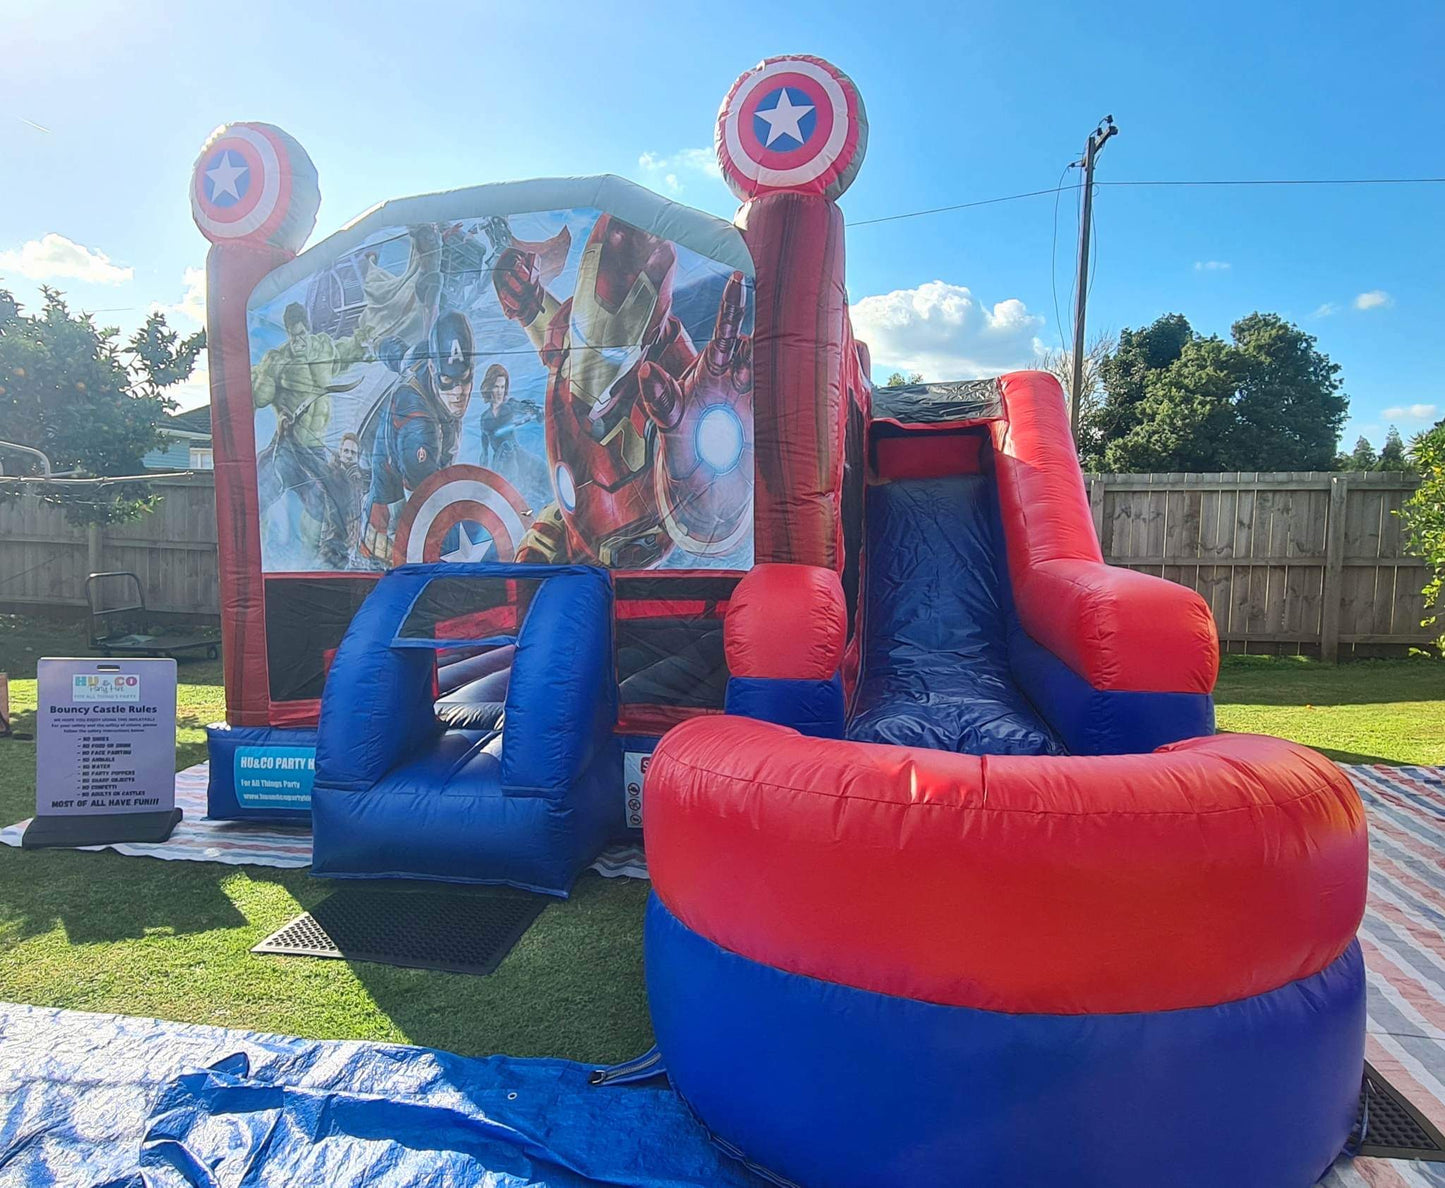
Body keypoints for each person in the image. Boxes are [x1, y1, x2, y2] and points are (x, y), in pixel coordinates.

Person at [251, 302, 370, 560]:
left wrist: (360, 341)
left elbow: (343, 355)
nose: (298, 341)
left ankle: (314, 559)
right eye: (293, 335)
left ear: (308, 329)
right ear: (287, 332)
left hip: (314, 449)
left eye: (301, 334)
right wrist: (264, 378)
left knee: (323, 502)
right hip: (288, 445)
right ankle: (261, 553)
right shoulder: (278, 360)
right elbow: (259, 397)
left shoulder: (322, 348)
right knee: (259, 497)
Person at [360, 311, 476, 564]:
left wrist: (376, 342)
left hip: (420, 461)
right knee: (389, 556)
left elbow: (398, 353)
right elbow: (427, 497)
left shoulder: (421, 355)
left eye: (465, 379)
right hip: (393, 494)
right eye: (448, 381)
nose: (458, 392)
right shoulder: (417, 421)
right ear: (434, 369)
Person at [319, 432, 368, 567]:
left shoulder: (358, 477)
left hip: (352, 545)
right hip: (332, 543)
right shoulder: (331, 474)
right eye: (346, 451)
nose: (349, 455)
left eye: (353, 453)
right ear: (340, 452)